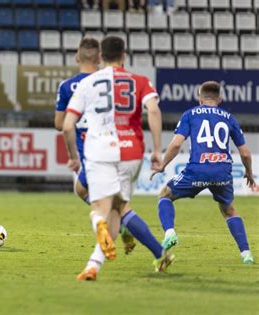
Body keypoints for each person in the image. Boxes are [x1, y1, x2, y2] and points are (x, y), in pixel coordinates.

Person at [63, 36, 173, 281]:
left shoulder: (88, 83)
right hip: (131, 151)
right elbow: (154, 110)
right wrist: (157, 150)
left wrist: (73, 156)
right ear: (124, 56)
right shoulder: (141, 81)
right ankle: (94, 266)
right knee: (119, 208)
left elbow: (67, 126)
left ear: (101, 57)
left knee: (102, 210)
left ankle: (98, 230)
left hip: (99, 151)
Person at [151, 81, 255, 265]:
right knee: (229, 210)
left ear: (199, 98)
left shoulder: (190, 114)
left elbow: (176, 144)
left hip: (197, 169)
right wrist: (249, 173)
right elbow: (245, 153)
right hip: (222, 171)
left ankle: (170, 233)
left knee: (165, 195)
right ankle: (246, 254)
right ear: (220, 99)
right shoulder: (229, 117)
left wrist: (163, 165)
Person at [54, 37, 136, 262]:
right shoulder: (110, 81)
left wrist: (79, 119)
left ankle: (112, 236)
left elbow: (60, 124)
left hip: (90, 151)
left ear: (77, 57)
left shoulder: (69, 86)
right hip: (117, 146)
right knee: (111, 200)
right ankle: (124, 229)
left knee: (90, 194)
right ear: (99, 57)